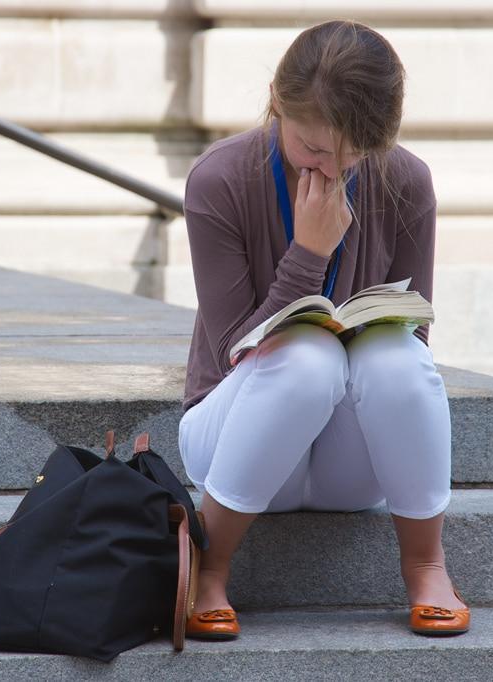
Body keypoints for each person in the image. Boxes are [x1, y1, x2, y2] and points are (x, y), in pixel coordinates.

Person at [178, 20, 469, 639]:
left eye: (354, 155)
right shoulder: (219, 181)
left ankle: (425, 566)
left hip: (349, 462)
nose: (332, 169)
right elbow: (236, 349)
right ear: (278, 106)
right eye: (312, 148)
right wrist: (308, 255)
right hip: (231, 437)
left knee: (397, 355)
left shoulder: (407, 181)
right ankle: (210, 569)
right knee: (307, 357)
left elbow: (414, 327)